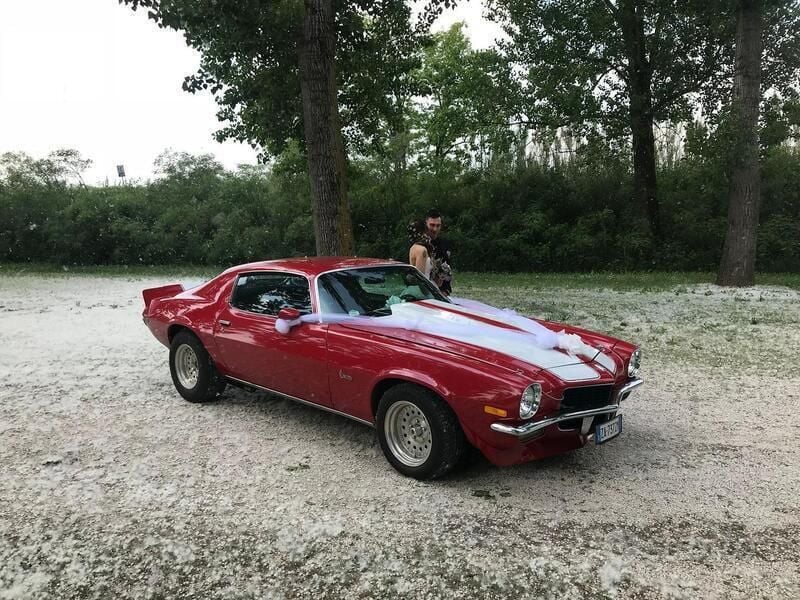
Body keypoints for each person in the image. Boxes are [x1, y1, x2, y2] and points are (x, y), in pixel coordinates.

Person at [424, 209, 453, 296]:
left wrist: (445, 290)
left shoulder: (444, 244)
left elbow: (447, 267)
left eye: (438, 226)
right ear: (425, 224)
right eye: (432, 225)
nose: (435, 229)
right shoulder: (418, 245)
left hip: (441, 292)